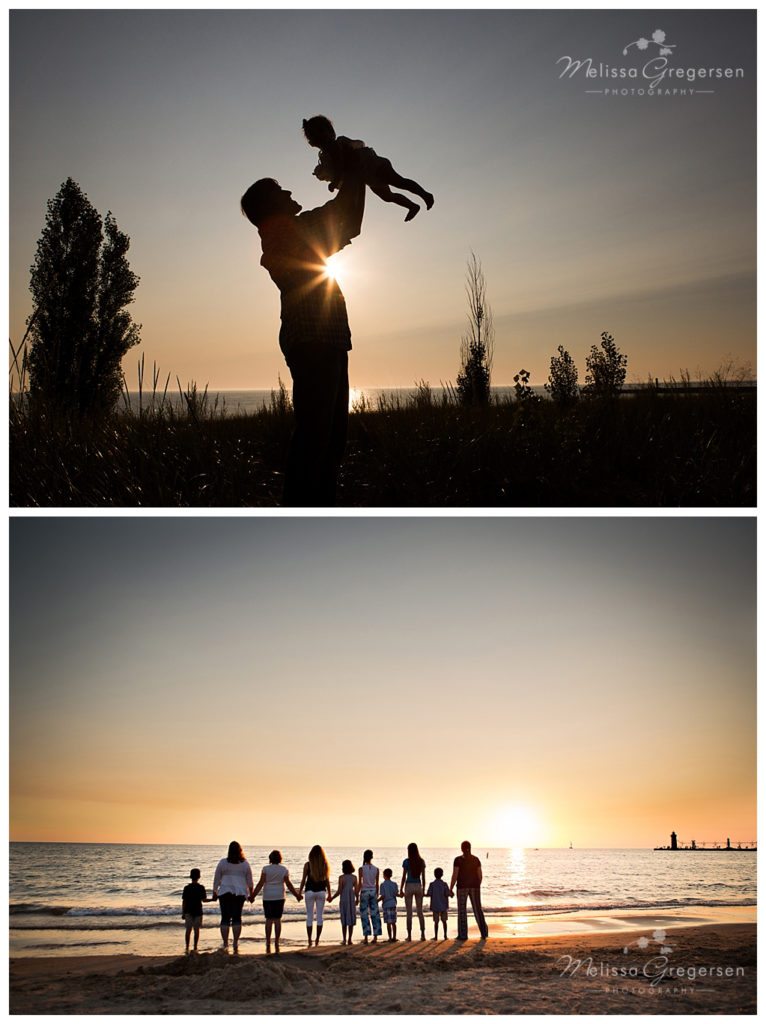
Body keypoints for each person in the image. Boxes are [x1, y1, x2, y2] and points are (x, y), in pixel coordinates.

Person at [240, 145, 366, 507]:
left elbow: (349, 223)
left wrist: (353, 177)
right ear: (269, 204)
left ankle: (321, 505)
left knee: (330, 440)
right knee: (316, 436)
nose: (290, 193)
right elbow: (341, 216)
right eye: (281, 190)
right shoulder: (284, 231)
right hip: (315, 342)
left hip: (328, 339)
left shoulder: (292, 230)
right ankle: (302, 506)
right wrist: (353, 172)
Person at [302, 115, 434, 222]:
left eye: (322, 133)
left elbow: (340, 163)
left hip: (375, 165)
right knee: (387, 196)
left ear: (330, 133)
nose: (321, 139)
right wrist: (323, 173)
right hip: (368, 177)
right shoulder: (325, 156)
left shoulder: (338, 144)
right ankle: (412, 206)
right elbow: (336, 170)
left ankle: (425, 195)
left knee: (399, 182)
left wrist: (335, 181)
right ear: (313, 143)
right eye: (315, 137)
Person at [252, 850, 302, 955]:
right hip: (279, 896)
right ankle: (277, 941)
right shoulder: (283, 869)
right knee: (277, 920)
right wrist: (297, 895)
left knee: (269, 920)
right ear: (280, 859)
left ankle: (268, 941)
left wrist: (253, 895)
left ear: (270, 858)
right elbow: (288, 884)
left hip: (268, 897)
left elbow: (261, 883)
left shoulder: (265, 869)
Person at [212, 841, 254, 954]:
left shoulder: (223, 863)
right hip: (239, 893)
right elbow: (250, 880)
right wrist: (251, 894)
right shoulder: (245, 864)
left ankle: (225, 942)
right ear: (240, 850)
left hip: (225, 892)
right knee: (237, 917)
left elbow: (216, 878)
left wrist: (215, 891)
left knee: (225, 918)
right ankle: (235, 942)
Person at [449, 840, 489, 940]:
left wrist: (451, 888)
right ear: (470, 848)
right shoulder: (476, 859)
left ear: (462, 849)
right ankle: (484, 932)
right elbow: (480, 875)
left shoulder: (458, 860)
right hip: (475, 886)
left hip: (462, 887)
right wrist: (477, 885)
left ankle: (463, 935)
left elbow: (455, 875)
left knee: (462, 911)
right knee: (477, 909)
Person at [298, 845, 332, 947]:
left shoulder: (308, 865)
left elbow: (304, 880)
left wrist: (299, 893)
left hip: (309, 892)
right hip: (321, 892)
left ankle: (309, 939)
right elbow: (327, 881)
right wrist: (330, 894)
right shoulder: (325, 865)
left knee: (309, 916)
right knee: (320, 916)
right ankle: (317, 939)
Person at [181, 867, 213, 954]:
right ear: (199, 877)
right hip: (198, 911)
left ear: (190, 877)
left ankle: (187, 946)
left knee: (188, 930)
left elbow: (184, 901)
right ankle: (195, 947)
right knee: (196, 930)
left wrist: (183, 912)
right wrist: (212, 899)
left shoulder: (187, 888)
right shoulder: (201, 887)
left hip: (188, 910)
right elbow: (204, 900)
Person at [399, 841, 426, 941]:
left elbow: (403, 877)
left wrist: (401, 889)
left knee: (409, 912)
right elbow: (423, 877)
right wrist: (423, 888)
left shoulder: (406, 861)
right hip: (418, 885)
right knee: (420, 912)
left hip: (409, 886)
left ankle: (409, 936)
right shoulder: (421, 861)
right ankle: (423, 934)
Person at [357, 849, 382, 944]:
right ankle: (375, 937)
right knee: (374, 914)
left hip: (364, 891)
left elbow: (360, 883)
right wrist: (377, 894)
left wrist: (356, 894)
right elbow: (377, 884)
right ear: (372, 857)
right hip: (373, 891)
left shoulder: (361, 869)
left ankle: (366, 937)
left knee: (364, 915)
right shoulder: (376, 869)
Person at [333, 859, 359, 945]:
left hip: (344, 898)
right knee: (351, 919)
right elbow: (356, 890)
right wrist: (357, 899)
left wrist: (332, 898)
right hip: (351, 898)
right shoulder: (354, 877)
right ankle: (350, 939)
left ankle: (344, 939)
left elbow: (339, 891)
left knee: (344, 919)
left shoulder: (341, 878)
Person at [426, 867, 451, 940]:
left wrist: (423, 894)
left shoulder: (432, 884)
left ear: (434, 874)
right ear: (442, 874)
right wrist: (451, 894)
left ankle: (436, 936)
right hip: (443, 906)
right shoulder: (444, 884)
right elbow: (447, 893)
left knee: (436, 922)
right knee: (444, 921)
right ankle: (445, 936)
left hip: (435, 906)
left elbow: (429, 894)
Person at [378, 868, 399, 942]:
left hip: (386, 905)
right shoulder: (394, 884)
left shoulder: (382, 885)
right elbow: (396, 894)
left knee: (388, 923)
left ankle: (390, 937)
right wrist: (401, 895)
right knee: (393, 922)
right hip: (393, 904)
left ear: (384, 875)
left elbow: (383, 896)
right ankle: (394, 937)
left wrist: (377, 900)